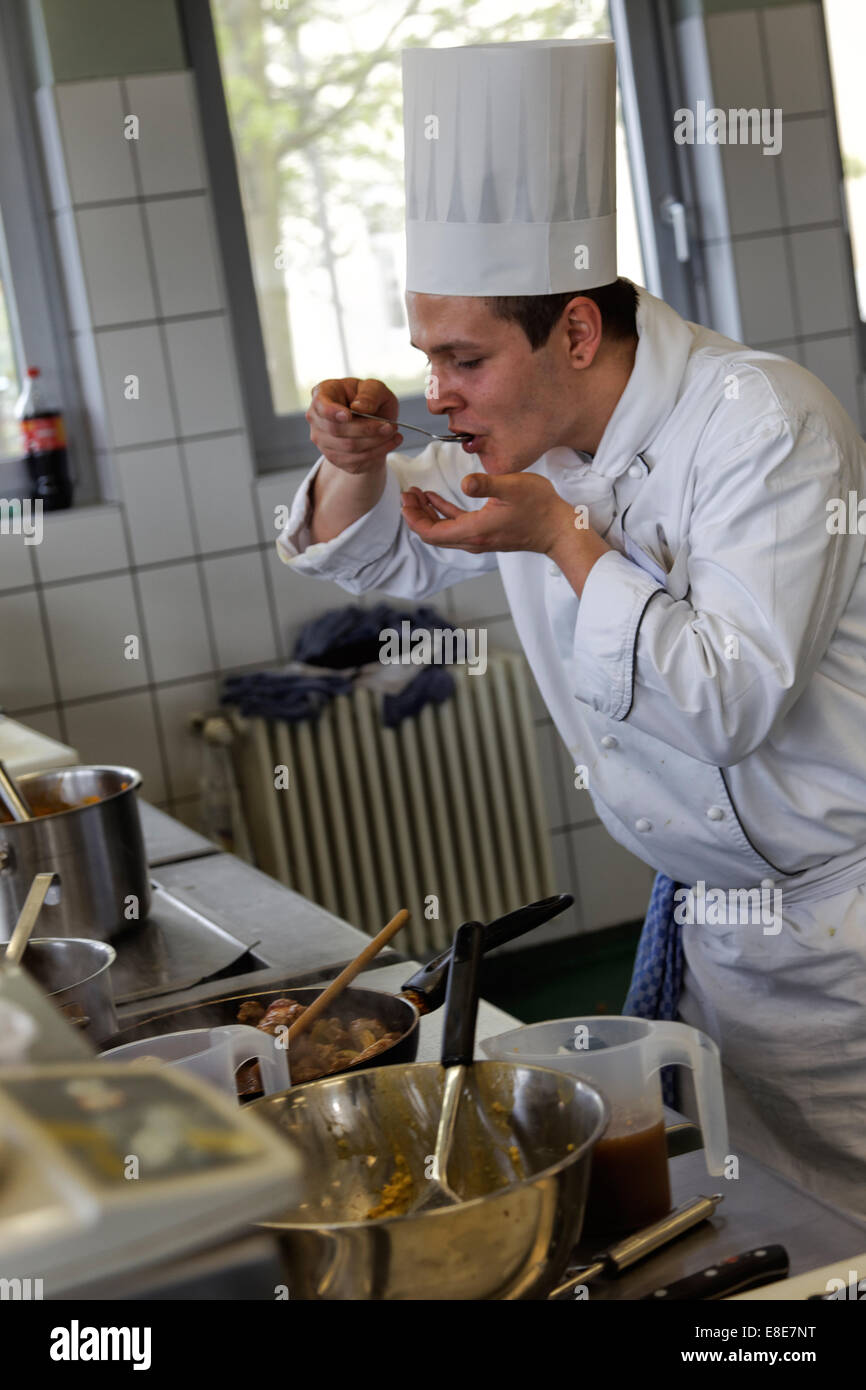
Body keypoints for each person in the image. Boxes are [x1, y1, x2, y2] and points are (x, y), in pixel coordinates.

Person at [277, 38, 866, 1219]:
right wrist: (354, 463)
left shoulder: (763, 422)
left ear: (578, 335)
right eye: (424, 360)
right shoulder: (526, 440)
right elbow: (378, 546)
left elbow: (727, 697)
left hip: (844, 937)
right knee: (784, 1239)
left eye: (463, 359)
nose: (435, 393)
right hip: (729, 947)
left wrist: (560, 538)